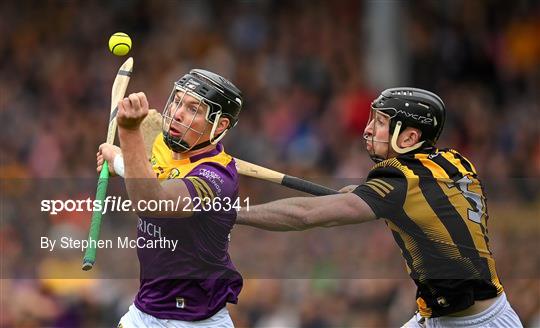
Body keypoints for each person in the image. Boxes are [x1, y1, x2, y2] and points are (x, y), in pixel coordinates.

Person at [236, 88, 523, 327]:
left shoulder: (399, 180)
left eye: (381, 123)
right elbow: (417, 198)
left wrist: (233, 213)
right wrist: (367, 196)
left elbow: (305, 215)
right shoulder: (454, 161)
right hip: (449, 316)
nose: (369, 130)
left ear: (409, 138)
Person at [97, 69, 244, 327]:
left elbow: (153, 202)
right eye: (176, 101)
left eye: (193, 109)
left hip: (198, 321)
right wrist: (123, 161)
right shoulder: (165, 148)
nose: (177, 113)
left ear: (220, 125)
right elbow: (153, 176)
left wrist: (128, 137)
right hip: (144, 312)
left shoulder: (218, 176)